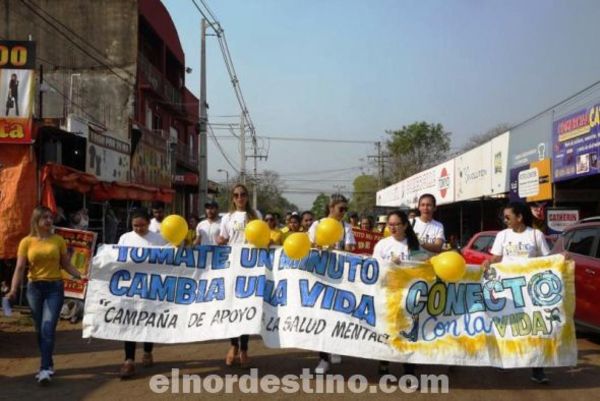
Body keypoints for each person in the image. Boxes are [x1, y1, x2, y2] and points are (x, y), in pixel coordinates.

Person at [6, 206, 84, 384]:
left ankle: (44, 369)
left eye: (50, 218)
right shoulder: (26, 242)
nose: (49, 221)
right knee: (40, 330)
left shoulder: (58, 240)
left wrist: (80, 275)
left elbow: (66, 264)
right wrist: (13, 290)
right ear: (36, 221)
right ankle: (48, 363)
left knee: (48, 327)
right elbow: (19, 268)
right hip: (34, 289)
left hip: (54, 288)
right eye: (45, 218)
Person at [481, 201, 551, 384]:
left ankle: (538, 370)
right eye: (504, 217)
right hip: (508, 291)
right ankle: (503, 360)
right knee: (506, 324)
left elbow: (547, 261)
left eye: (508, 217)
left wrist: (563, 259)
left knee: (536, 328)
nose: (505, 221)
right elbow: (496, 257)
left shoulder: (536, 235)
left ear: (519, 217)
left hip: (531, 292)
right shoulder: (502, 236)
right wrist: (489, 262)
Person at [308, 194, 356, 374]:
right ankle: (323, 358)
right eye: (340, 209)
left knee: (338, 316)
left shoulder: (346, 227)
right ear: (331, 207)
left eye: (345, 209)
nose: (343, 213)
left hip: (340, 278)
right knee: (322, 317)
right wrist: (319, 247)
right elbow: (310, 246)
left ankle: (336, 347)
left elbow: (350, 250)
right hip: (321, 277)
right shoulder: (317, 225)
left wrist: (338, 248)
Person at [116, 208, 167, 379]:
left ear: (148, 223)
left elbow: (170, 259)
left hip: (152, 288)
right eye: (135, 226)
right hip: (130, 288)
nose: (138, 229)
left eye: (142, 225)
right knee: (130, 323)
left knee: (148, 322)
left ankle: (147, 351)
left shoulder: (158, 239)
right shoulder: (125, 238)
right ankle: (129, 360)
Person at [372, 210, 422, 377]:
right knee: (387, 330)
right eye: (390, 224)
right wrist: (389, 264)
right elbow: (374, 269)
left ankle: (408, 368)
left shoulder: (414, 245)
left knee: (407, 331)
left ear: (405, 225)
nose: (392, 228)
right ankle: (383, 363)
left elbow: (421, 268)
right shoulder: (382, 245)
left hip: (408, 295)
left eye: (396, 224)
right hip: (388, 294)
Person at [217, 184, 260, 367]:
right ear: (232, 198)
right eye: (236, 195)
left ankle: (244, 349)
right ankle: (233, 346)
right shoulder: (227, 218)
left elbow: (261, 237)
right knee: (232, 309)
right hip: (232, 268)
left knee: (246, 309)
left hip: (250, 268)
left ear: (247, 197)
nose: (240, 198)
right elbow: (223, 238)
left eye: (243, 194)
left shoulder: (255, 215)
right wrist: (220, 240)